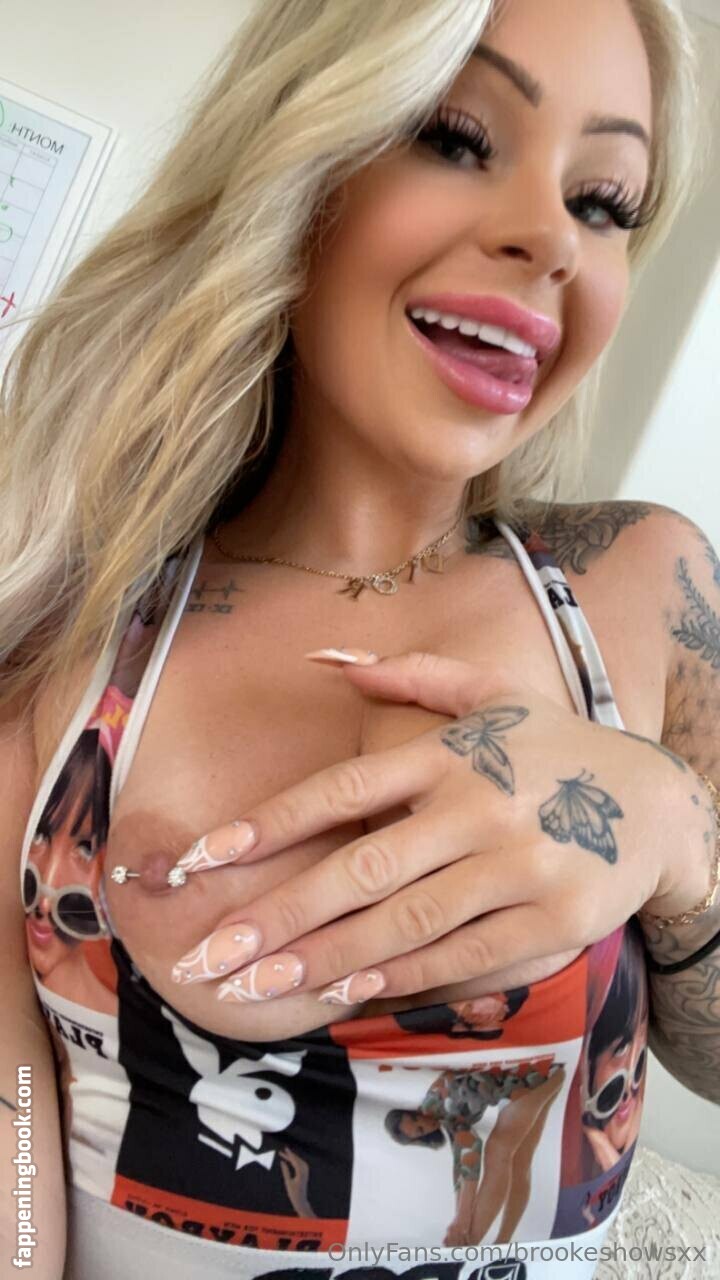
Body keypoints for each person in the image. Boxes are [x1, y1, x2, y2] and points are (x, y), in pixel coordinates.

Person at [1, 1, 718, 1278]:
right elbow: (14, 1160)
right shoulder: (65, 631)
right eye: (456, 135)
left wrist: (672, 836)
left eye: (604, 201)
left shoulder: (646, 590)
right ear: (298, 158)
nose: (553, 238)